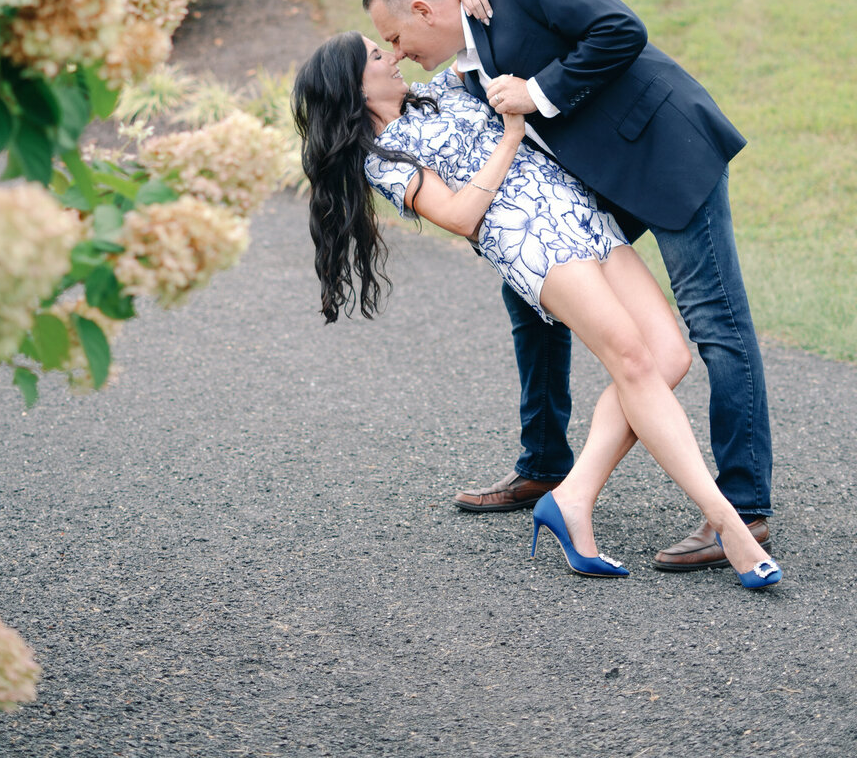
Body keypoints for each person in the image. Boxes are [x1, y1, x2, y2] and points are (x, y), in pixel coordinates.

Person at [291, 31, 780, 588]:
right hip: (530, 241)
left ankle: (571, 499)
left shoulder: (438, 92)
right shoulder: (382, 159)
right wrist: (511, 138)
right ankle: (728, 523)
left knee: (669, 357)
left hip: (584, 216)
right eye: (378, 55)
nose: (393, 55)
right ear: (353, 85)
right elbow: (459, 215)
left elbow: (471, 46)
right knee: (635, 364)